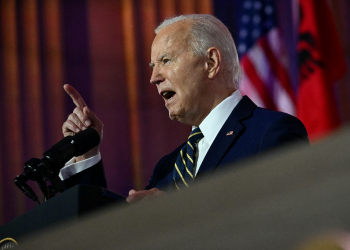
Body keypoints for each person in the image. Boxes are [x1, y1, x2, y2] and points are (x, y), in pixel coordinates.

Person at [60, 14, 309, 203]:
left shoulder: (272, 133)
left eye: (166, 60)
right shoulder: (167, 167)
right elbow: (110, 236)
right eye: (152, 66)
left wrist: (178, 212)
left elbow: (283, 218)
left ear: (211, 63)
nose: (153, 77)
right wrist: (86, 156)